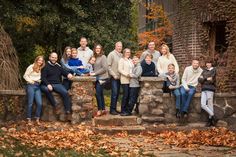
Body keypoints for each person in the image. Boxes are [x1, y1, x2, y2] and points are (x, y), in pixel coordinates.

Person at [41, 52, 73, 121]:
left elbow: (64, 72)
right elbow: (43, 77)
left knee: (65, 93)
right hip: (48, 84)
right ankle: (55, 106)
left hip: (57, 84)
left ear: (57, 58)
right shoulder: (45, 66)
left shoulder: (58, 66)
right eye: (52, 57)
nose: (54, 59)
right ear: (49, 57)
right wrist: (48, 84)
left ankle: (68, 112)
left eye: (55, 58)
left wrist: (68, 74)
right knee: (47, 89)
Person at [23, 56, 45, 124]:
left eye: (41, 61)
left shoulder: (40, 68)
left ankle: (37, 119)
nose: (40, 62)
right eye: (39, 60)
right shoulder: (31, 66)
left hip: (37, 86)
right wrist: (30, 81)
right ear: (36, 60)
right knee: (30, 103)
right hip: (31, 86)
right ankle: (29, 119)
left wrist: (39, 80)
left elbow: (38, 77)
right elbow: (25, 75)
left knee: (40, 103)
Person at [90, 44, 109, 116]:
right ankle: (103, 109)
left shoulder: (103, 57)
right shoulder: (94, 57)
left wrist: (95, 73)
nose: (97, 49)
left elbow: (105, 68)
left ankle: (99, 110)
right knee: (100, 93)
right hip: (97, 78)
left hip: (103, 78)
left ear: (101, 49)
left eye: (99, 48)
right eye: (96, 48)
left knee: (98, 93)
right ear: (94, 49)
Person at [198, 59, 217, 126]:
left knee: (210, 105)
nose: (208, 64)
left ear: (211, 64)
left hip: (210, 89)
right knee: (203, 105)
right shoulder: (204, 70)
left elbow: (211, 80)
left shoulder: (214, 70)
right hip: (203, 89)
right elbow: (199, 80)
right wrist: (206, 79)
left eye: (209, 63)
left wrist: (204, 78)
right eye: (207, 63)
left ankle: (210, 120)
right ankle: (213, 116)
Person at [107, 41, 123, 115]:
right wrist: (113, 75)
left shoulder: (121, 55)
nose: (120, 47)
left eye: (120, 46)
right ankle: (112, 109)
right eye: (118, 46)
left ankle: (115, 109)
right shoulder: (111, 54)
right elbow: (108, 66)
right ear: (115, 46)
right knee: (114, 93)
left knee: (117, 94)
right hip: (114, 77)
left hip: (120, 78)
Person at [118, 48, 134, 116]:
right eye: (127, 52)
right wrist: (127, 74)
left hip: (131, 80)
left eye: (129, 52)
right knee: (125, 95)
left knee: (129, 96)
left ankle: (127, 110)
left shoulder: (130, 60)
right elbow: (120, 69)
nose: (128, 53)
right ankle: (122, 110)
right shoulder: (122, 60)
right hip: (125, 79)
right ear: (124, 53)